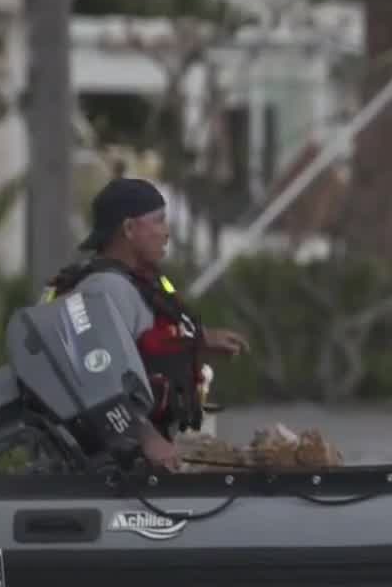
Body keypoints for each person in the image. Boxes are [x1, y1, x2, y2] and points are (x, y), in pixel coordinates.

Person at [43, 177, 249, 470]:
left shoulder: (139, 282)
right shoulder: (104, 289)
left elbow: (149, 345)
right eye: (159, 221)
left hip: (144, 452)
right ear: (128, 229)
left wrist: (200, 341)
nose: (167, 233)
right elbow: (96, 378)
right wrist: (146, 437)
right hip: (117, 461)